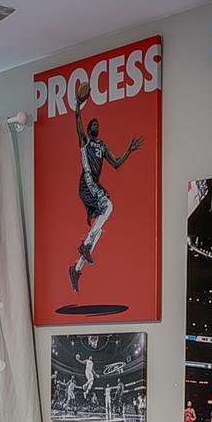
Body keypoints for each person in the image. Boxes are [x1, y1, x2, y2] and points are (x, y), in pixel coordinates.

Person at [66, 85, 143, 292]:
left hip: (94, 184)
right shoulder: (85, 142)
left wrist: (129, 150)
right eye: (93, 124)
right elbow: (77, 120)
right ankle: (85, 246)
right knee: (108, 207)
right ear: (88, 128)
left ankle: (76, 268)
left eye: (97, 124)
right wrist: (77, 105)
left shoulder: (102, 146)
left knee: (99, 229)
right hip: (87, 182)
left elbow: (116, 163)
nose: (96, 126)